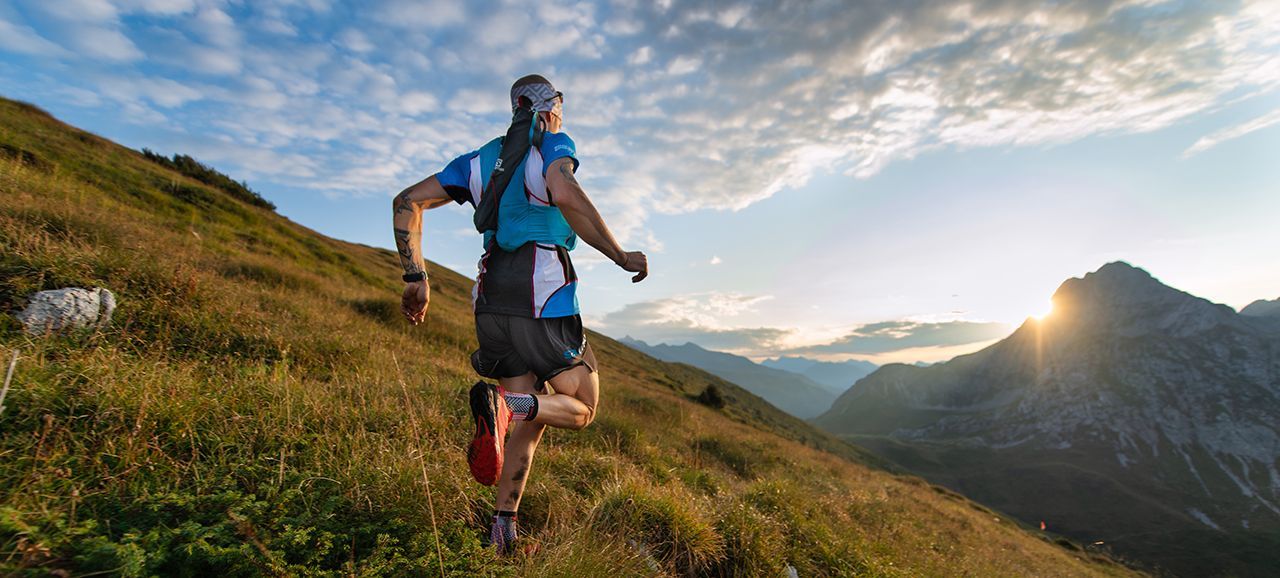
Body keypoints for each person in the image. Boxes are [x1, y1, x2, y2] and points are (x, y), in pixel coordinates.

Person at [390, 74, 648, 555]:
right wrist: (619, 254)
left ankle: (502, 534)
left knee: (527, 418)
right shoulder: (552, 142)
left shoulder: (478, 161)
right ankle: (505, 407)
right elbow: (565, 193)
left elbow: (407, 202)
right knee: (583, 406)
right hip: (541, 294)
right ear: (551, 107)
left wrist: (416, 277)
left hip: (489, 297)